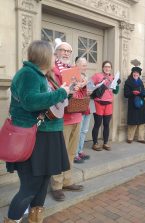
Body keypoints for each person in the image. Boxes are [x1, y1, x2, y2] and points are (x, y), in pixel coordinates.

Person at [4, 40, 70, 223]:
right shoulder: (28, 74)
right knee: (30, 187)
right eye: (52, 54)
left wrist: (66, 92)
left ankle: (35, 219)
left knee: (42, 183)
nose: (55, 57)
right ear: (45, 56)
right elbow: (32, 101)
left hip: (48, 135)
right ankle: (13, 219)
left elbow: (51, 102)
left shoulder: (44, 75)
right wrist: (61, 93)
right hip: (34, 137)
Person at [50, 38, 84, 202]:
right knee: (59, 153)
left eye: (68, 51)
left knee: (71, 151)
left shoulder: (73, 69)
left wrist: (81, 87)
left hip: (76, 114)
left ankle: (67, 180)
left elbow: (77, 92)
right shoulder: (52, 69)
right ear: (56, 52)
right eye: (63, 50)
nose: (66, 53)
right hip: (61, 118)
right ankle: (56, 185)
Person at [90, 61, 120, 151]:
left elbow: (115, 92)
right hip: (98, 103)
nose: (107, 68)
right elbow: (89, 86)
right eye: (105, 66)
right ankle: (95, 143)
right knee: (97, 124)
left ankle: (105, 143)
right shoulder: (97, 76)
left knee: (106, 124)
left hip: (109, 104)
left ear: (111, 68)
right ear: (103, 67)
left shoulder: (113, 77)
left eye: (109, 67)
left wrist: (117, 84)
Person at [124, 65, 145, 143]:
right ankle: (130, 138)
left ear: (139, 74)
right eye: (134, 72)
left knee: (142, 121)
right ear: (132, 73)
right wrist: (132, 93)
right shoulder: (128, 82)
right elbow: (125, 94)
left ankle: (141, 138)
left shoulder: (140, 82)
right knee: (133, 121)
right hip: (133, 104)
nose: (136, 74)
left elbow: (142, 93)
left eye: (137, 73)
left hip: (141, 103)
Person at [73, 57, 91, 164]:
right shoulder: (73, 75)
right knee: (77, 132)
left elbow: (84, 91)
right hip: (77, 106)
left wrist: (89, 90)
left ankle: (80, 151)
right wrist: (82, 84)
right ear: (77, 65)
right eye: (84, 65)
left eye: (86, 65)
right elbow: (72, 90)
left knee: (84, 131)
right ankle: (74, 154)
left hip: (85, 106)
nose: (86, 67)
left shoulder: (85, 76)